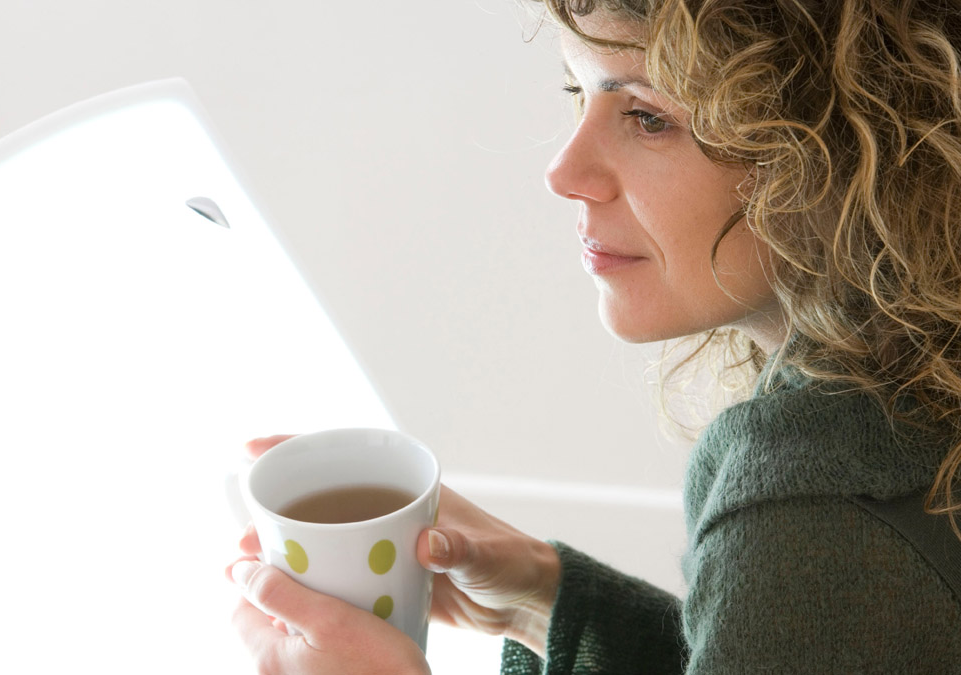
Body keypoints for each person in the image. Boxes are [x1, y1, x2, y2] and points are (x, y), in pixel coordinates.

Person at [227, 0, 961, 671]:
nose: (564, 170)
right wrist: (545, 604)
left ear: (857, 139)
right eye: (579, 93)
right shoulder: (903, 392)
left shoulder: (825, 518)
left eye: (648, 115)